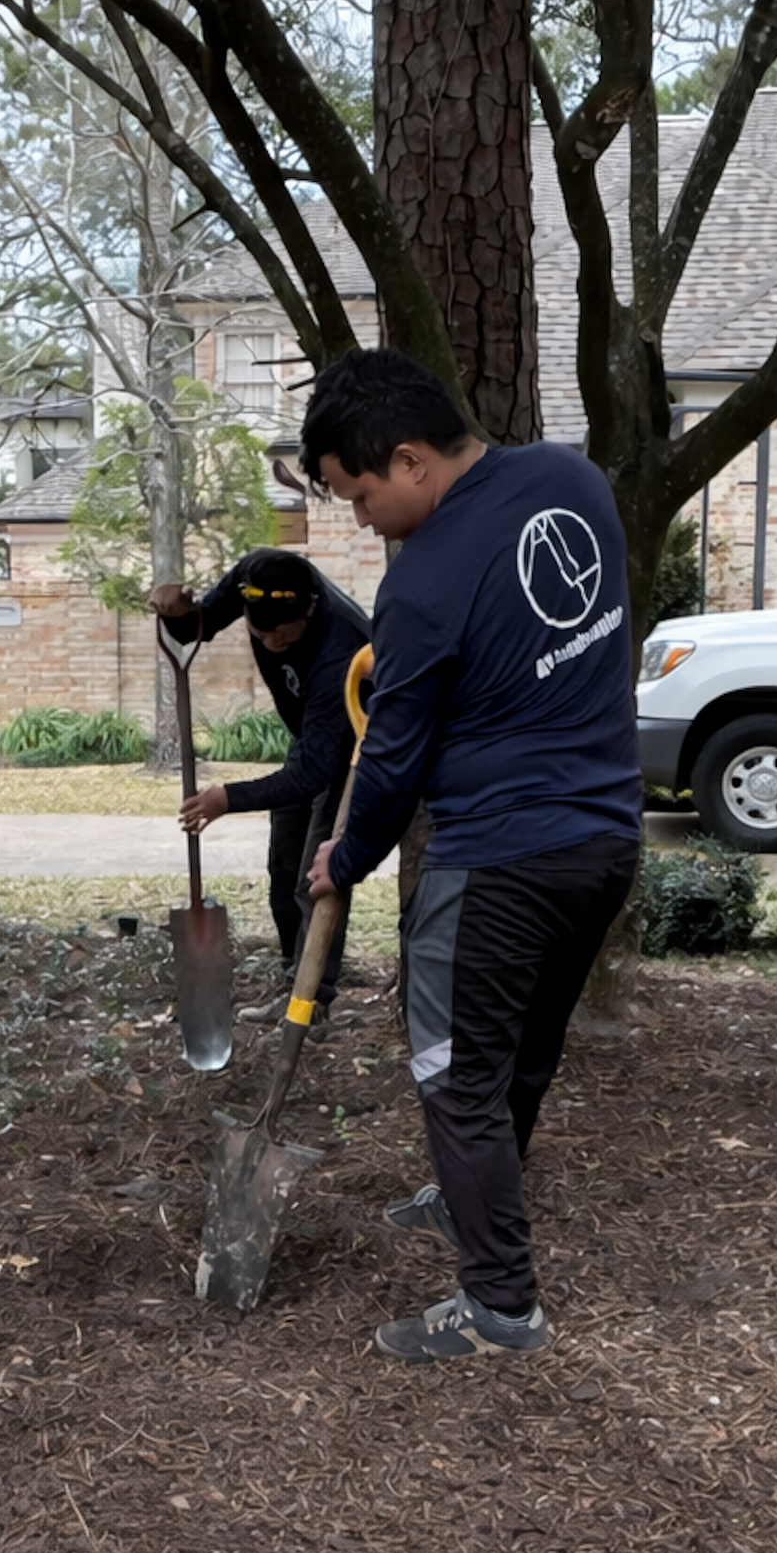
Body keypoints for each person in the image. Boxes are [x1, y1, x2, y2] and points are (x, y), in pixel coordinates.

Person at [302, 347, 641, 1363]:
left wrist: (343, 859)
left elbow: (393, 762)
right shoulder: (574, 482)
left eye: (357, 495)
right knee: (522, 1060)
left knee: (454, 1081)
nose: (359, 519)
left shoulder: (425, 587)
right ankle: (469, 1205)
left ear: (408, 460)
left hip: (496, 864)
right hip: (604, 847)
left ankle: (500, 1306)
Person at [151, 548, 372, 1022]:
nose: (270, 640)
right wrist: (179, 613)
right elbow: (197, 628)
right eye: (259, 631)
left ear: (309, 609)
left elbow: (317, 772)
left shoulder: (339, 651)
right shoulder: (255, 579)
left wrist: (228, 798)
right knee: (285, 864)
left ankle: (312, 1003)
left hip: (356, 750)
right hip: (310, 739)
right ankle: (295, 984)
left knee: (318, 875)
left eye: (282, 633)